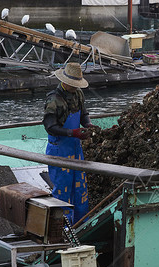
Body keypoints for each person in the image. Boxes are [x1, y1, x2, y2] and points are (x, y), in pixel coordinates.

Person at [42, 62, 92, 225]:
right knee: (62, 190)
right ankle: (63, 227)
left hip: (76, 149)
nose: (75, 87)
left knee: (80, 189)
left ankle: (81, 224)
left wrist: (88, 125)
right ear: (65, 82)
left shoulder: (78, 95)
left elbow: (84, 114)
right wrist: (72, 133)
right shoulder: (53, 100)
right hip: (59, 150)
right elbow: (50, 127)